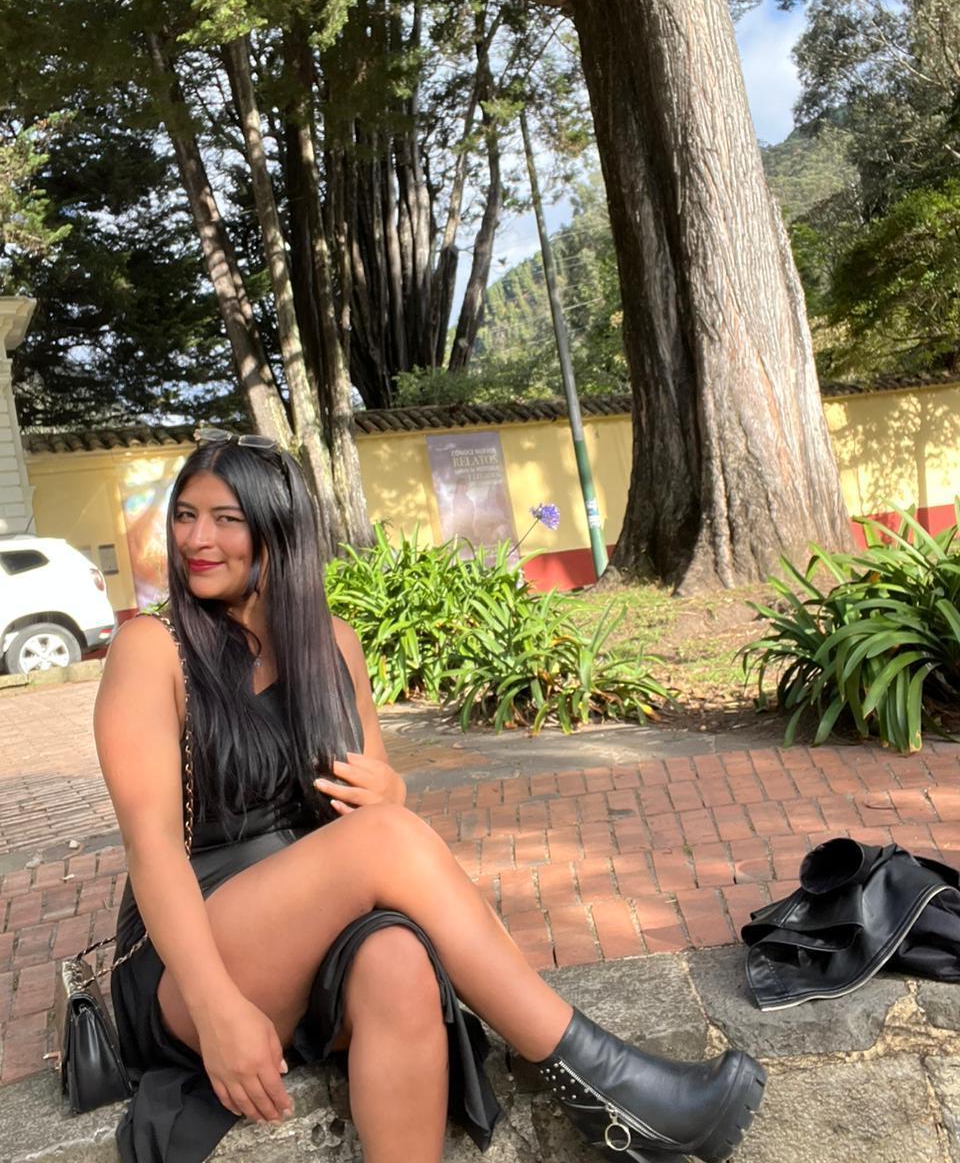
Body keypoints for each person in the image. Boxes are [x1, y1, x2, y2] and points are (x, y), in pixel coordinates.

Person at [94, 430, 767, 1163]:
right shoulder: (152, 650)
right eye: (186, 515)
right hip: (188, 960)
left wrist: (391, 790)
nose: (197, 538)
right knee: (383, 844)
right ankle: (606, 1087)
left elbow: (375, 817)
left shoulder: (332, 646)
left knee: (400, 963)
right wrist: (217, 1008)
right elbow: (152, 850)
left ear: (278, 529)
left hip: (317, 936)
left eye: (226, 519)